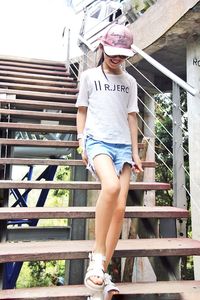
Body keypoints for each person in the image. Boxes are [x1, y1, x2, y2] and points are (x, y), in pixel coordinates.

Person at [76, 23, 143, 298]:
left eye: (122, 54)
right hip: (98, 142)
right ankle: (98, 253)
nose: (116, 58)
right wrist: (82, 142)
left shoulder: (130, 82)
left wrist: (136, 153)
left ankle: (102, 272)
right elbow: (82, 111)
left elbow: (131, 117)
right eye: (112, 52)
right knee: (111, 188)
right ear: (102, 46)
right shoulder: (89, 76)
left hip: (123, 148)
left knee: (119, 210)